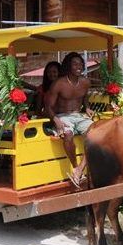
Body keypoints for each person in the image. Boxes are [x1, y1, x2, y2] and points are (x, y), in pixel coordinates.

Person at [45, 52, 94, 188]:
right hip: (62, 116)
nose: (78, 67)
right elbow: (48, 107)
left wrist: (88, 108)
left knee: (96, 133)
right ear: (68, 66)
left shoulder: (85, 82)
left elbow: (84, 98)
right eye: (75, 64)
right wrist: (55, 119)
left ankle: (79, 170)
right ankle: (75, 167)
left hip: (79, 116)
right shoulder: (58, 84)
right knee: (67, 134)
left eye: (80, 64)